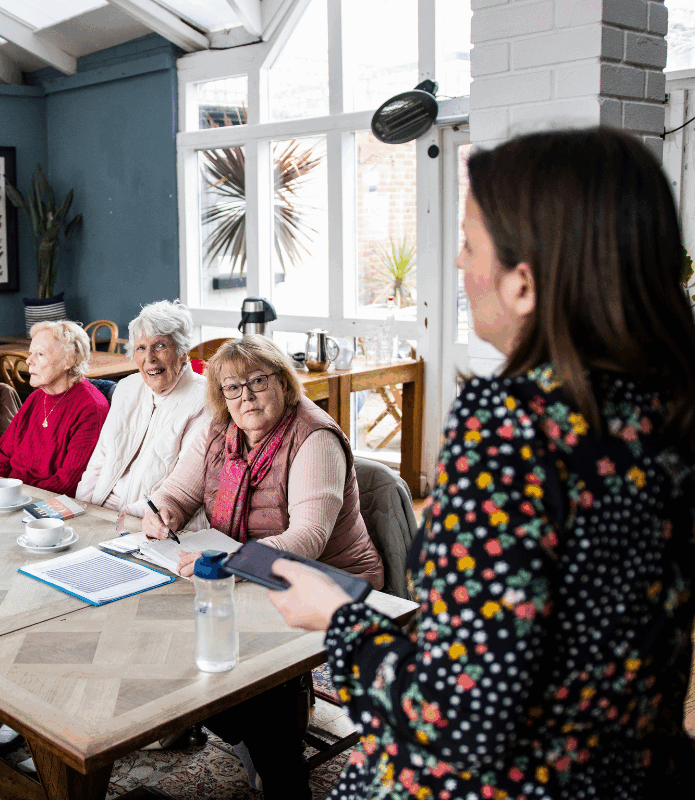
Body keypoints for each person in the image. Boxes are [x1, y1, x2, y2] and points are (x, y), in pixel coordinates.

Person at [268, 128, 695, 799]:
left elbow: (459, 717)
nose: (460, 268)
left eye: (468, 243)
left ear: (524, 284)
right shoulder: (670, 414)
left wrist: (338, 619)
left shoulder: (512, 429)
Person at [144, 335, 384, 587]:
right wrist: (163, 514)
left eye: (257, 381)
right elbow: (176, 494)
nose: (245, 396)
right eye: (233, 387)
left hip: (334, 582)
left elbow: (309, 536)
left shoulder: (315, 437)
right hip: (256, 575)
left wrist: (242, 562)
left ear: (282, 382)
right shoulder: (218, 429)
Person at [76, 300, 210, 528]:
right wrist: (81, 512)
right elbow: (100, 458)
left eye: (160, 346)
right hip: (102, 512)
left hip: (153, 521)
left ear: (183, 351)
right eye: (141, 348)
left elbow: (184, 485)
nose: (149, 358)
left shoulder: (205, 400)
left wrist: (127, 517)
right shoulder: (127, 388)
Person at [0, 320, 109, 496]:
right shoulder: (36, 398)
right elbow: (2, 455)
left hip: (44, 503)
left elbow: (68, 482)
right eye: (30, 353)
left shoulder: (90, 408)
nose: (28, 361)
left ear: (69, 360)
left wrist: (17, 497)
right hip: (10, 495)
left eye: (40, 354)